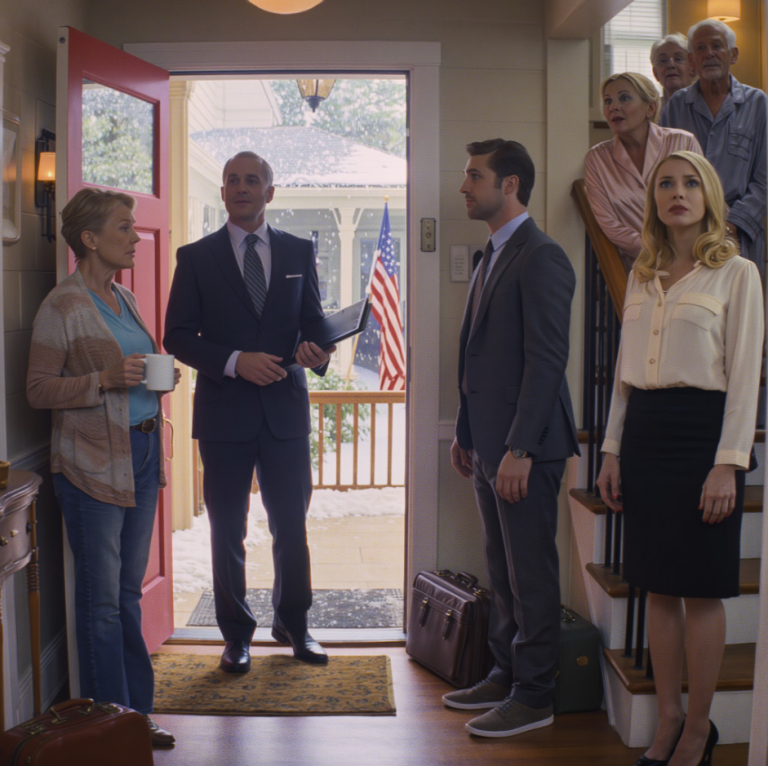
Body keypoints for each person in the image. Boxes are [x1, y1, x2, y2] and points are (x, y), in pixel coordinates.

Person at [597, 151, 763, 766]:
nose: (678, 192)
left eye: (691, 183)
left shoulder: (738, 274)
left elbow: (746, 377)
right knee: (656, 589)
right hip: (644, 435)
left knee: (701, 590)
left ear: (710, 197)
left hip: (703, 437)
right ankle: (666, 720)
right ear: (653, 201)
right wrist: (611, 451)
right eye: (665, 183)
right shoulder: (642, 274)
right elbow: (622, 376)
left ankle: (699, 728)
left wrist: (729, 462)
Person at [164, 151, 333, 672]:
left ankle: (295, 626)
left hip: (284, 415)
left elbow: (315, 326)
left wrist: (318, 351)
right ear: (222, 193)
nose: (241, 187)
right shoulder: (195, 257)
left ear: (270, 193)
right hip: (224, 418)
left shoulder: (299, 251)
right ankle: (236, 634)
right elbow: (176, 336)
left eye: (252, 180)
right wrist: (236, 361)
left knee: (291, 526)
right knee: (226, 530)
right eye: (232, 180)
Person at [26, 188, 180, 747]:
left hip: (139, 456)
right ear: (89, 239)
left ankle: (136, 716)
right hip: (90, 467)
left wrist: (160, 380)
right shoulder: (61, 306)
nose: (136, 236)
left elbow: (135, 370)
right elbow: (38, 390)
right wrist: (104, 381)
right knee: (102, 604)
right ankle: (106, 729)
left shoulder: (124, 297)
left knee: (127, 594)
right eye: (124, 227)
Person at [443, 139, 579, 737]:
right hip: (488, 447)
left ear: (511, 186)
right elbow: (479, 355)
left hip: (526, 450)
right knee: (501, 570)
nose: (465, 187)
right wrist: (467, 433)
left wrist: (520, 449)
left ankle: (535, 695)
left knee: (531, 573)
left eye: (475, 176)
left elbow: (547, 361)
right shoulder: (491, 254)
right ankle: (504, 674)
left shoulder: (542, 256)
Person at [662, 19, 767, 272]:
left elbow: (765, 178)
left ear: (733, 54)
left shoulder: (757, 103)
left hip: (739, 234)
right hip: (685, 235)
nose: (708, 53)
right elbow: (662, 172)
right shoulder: (675, 107)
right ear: (691, 60)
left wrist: (731, 225)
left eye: (717, 46)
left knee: (740, 308)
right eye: (700, 48)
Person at [585, 72, 703, 270]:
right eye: (607, 101)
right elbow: (609, 224)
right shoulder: (597, 159)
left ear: (651, 107)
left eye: (624, 98)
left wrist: (684, 254)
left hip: (692, 259)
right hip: (638, 268)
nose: (613, 107)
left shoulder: (683, 142)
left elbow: (704, 200)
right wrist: (658, 252)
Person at [651, 33, 696, 105]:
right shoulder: (652, 112)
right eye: (663, 60)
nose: (671, 65)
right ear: (655, 73)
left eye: (678, 59)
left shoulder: (708, 105)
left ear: (692, 67)